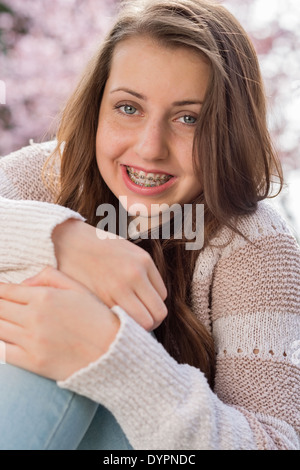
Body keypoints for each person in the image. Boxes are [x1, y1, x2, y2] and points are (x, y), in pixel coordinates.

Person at [0, 0, 299, 450]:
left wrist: (111, 357)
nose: (150, 147)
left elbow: (276, 443)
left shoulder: (253, 246)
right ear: (97, 106)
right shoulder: (43, 178)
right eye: (128, 108)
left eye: (188, 119)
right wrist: (65, 241)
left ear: (226, 132)